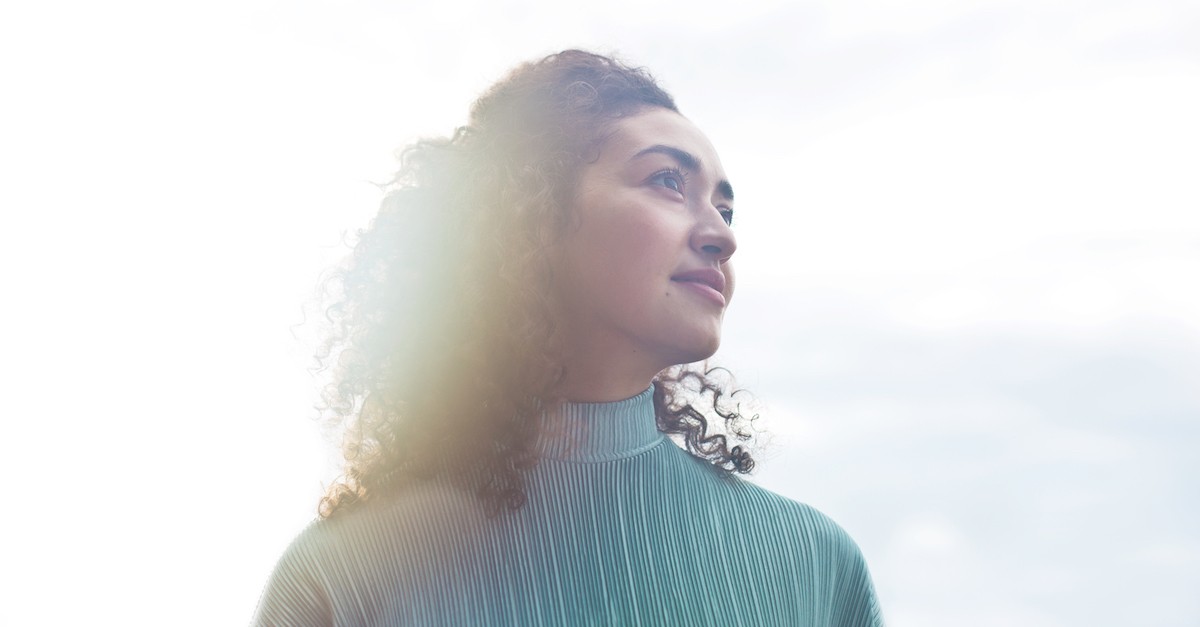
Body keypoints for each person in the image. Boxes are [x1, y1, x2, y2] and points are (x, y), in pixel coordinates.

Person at [253, 49, 884, 626]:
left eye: (725, 208)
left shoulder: (816, 568)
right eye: (668, 181)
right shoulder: (342, 577)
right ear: (528, 215)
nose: (722, 235)